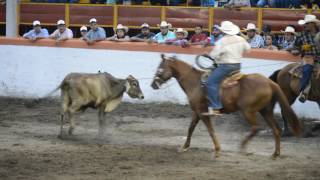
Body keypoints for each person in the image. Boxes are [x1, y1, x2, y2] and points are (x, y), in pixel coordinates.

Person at [202, 21, 251, 116]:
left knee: (210, 83)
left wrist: (207, 55)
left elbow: (214, 55)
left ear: (223, 31)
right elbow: (248, 50)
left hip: (225, 66)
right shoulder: (240, 39)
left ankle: (216, 107)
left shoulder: (222, 41)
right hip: (237, 66)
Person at [292, 14, 320, 102]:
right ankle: (304, 91)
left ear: (313, 24)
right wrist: (301, 48)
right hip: (308, 58)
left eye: (307, 24)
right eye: (305, 24)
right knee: (307, 69)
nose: (305, 25)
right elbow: (295, 49)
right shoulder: (301, 35)